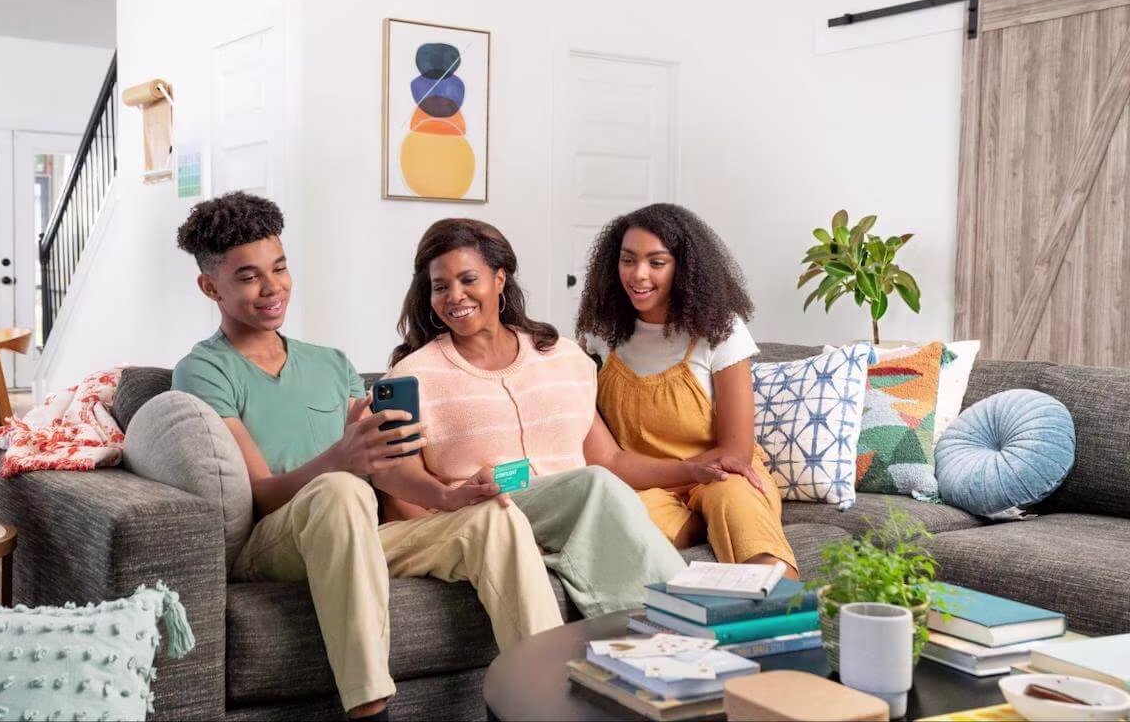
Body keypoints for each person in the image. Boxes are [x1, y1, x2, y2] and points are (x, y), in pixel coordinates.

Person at [171, 193, 561, 722]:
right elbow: (259, 493)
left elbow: (382, 463)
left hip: (361, 535)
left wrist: (447, 495)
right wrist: (339, 458)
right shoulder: (204, 370)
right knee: (342, 488)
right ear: (209, 286)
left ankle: (539, 702)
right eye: (248, 276)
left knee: (493, 517)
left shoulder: (331, 363)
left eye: (280, 268)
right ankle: (370, 709)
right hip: (276, 543)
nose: (272, 288)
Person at [373, 218, 696, 619]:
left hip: (575, 507)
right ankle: (688, 617)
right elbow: (399, 496)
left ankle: (660, 630)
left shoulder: (562, 357)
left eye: (468, 279)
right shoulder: (413, 377)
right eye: (440, 286)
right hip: (486, 512)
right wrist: (459, 540)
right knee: (594, 486)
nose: (455, 296)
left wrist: (693, 469)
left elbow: (608, 460)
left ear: (499, 279)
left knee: (600, 484)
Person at [575, 202, 797, 577]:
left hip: (724, 475)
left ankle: (788, 622)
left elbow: (735, 451)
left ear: (685, 269)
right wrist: (682, 475)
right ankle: (697, 529)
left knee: (737, 505)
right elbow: (607, 458)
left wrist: (701, 476)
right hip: (645, 483)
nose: (638, 275)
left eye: (656, 262)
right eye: (628, 260)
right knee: (617, 527)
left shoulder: (720, 330)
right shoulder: (600, 334)